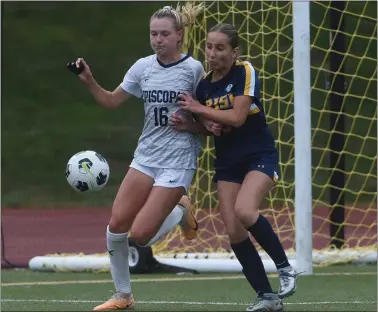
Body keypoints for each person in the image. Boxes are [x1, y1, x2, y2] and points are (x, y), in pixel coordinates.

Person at [68, 5, 205, 311]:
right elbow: (111, 101)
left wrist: (192, 123)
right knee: (117, 225)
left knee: (140, 236)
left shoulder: (193, 70)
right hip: (145, 156)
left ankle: (181, 209)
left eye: (165, 34)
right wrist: (89, 79)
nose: (158, 39)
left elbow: (211, 123)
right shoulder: (143, 67)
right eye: (153, 34)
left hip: (178, 160)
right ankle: (123, 296)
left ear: (180, 36)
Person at [172, 23, 299, 312]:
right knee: (233, 230)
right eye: (209, 46)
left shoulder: (245, 71)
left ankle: (285, 268)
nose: (212, 53)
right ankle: (267, 297)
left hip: (258, 155)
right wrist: (192, 124)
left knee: (245, 212)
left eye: (220, 48)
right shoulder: (204, 86)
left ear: (234, 51)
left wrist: (199, 109)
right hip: (228, 162)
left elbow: (239, 116)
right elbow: (212, 127)